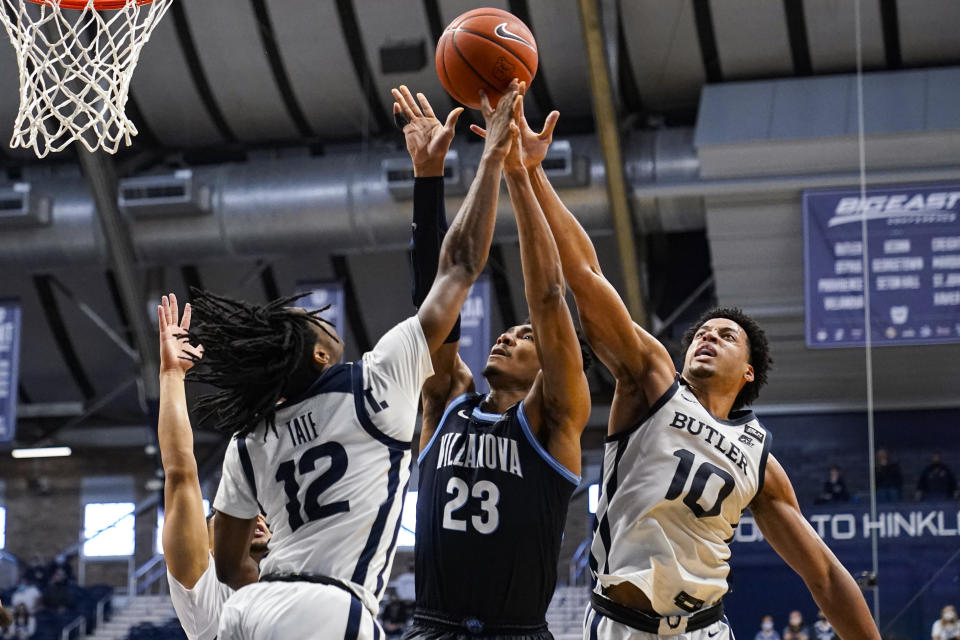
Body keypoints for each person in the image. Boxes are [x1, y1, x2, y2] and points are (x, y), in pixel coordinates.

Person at [509, 107, 881, 640]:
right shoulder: (651, 383)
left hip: (706, 630)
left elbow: (821, 574)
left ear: (749, 372)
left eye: (726, 335)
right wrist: (534, 172)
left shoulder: (758, 458)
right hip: (622, 625)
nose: (707, 336)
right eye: (702, 332)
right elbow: (586, 278)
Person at [205, 80, 521, 640]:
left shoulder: (249, 436)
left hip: (246, 611)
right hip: (328, 606)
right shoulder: (372, 383)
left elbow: (228, 564)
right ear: (322, 353)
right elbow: (458, 268)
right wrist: (487, 159)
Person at [392, 86, 590, 640]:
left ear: (548, 364)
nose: (507, 335)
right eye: (508, 331)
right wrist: (428, 179)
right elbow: (436, 296)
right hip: (431, 628)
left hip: (515, 631)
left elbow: (549, 296)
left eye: (524, 338)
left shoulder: (553, 419)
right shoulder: (446, 398)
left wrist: (519, 172)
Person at [156, 293, 273, 640]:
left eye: (259, 514)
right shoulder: (204, 589)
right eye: (228, 520)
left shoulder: (293, 576)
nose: (255, 518)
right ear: (208, 546)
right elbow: (180, 474)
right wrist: (171, 375)